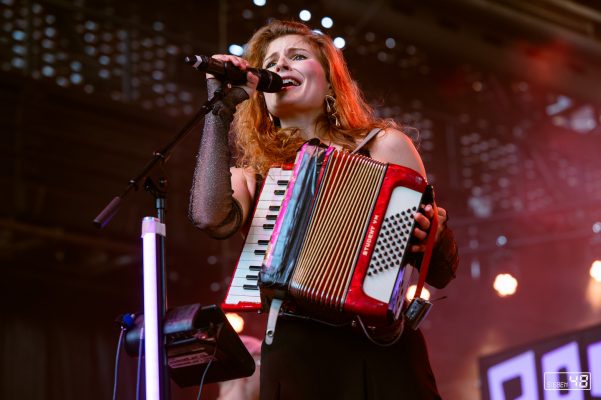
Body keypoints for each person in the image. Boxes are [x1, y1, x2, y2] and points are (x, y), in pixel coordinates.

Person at [189, 20, 459, 400]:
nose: (281, 65)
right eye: (272, 61)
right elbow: (209, 217)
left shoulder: (385, 147)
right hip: (295, 351)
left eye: (297, 56)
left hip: (375, 348)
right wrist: (220, 110)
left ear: (330, 81)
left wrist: (432, 237)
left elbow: (440, 272)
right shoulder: (252, 176)